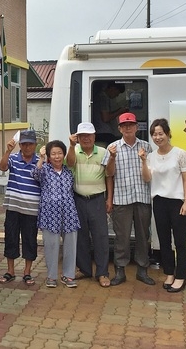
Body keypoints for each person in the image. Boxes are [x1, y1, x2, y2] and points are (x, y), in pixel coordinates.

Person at [102, 112, 155, 286]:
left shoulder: (146, 147)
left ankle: (142, 270)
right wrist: (112, 157)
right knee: (121, 237)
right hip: (121, 199)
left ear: (137, 127)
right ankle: (120, 271)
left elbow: (151, 173)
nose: (128, 128)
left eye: (131, 125)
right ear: (119, 129)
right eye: (124, 125)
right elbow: (109, 173)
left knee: (143, 235)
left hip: (142, 197)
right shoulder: (112, 147)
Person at [141, 118, 186, 293]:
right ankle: (169, 273)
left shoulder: (180, 154)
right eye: (154, 134)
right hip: (159, 202)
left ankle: (181, 276)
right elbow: (147, 178)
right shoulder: (151, 156)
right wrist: (143, 161)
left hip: (178, 202)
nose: (157, 137)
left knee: (180, 241)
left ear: (168, 133)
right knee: (164, 241)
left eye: (160, 133)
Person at [66, 122, 114, 288]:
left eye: (89, 135)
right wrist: (71, 146)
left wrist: (109, 199)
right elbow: (69, 164)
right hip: (78, 199)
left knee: (101, 237)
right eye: (82, 136)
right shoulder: (74, 150)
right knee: (81, 237)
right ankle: (85, 269)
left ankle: (102, 273)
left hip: (97, 200)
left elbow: (109, 176)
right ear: (78, 137)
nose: (86, 138)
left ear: (94, 136)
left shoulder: (103, 152)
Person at [33, 140, 79, 288]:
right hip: (50, 214)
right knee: (51, 246)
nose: (57, 156)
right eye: (53, 154)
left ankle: (68, 275)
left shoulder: (69, 171)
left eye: (59, 153)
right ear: (49, 156)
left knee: (70, 245)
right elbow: (35, 174)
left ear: (64, 155)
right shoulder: (45, 170)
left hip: (69, 213)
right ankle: (51, 276)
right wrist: (41, 158)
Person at [0, 130, 41, 286]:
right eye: (24, 144)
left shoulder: (40, 161)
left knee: (30, 239)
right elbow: (2, 167)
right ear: (20, 145)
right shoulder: (13, 158)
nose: (27, 147)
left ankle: (27, 272)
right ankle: (10, 271)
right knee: (10, 237)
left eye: (30, 144)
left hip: (32, 208)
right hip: (13, 207)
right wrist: (8, 151)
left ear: (35, 144)